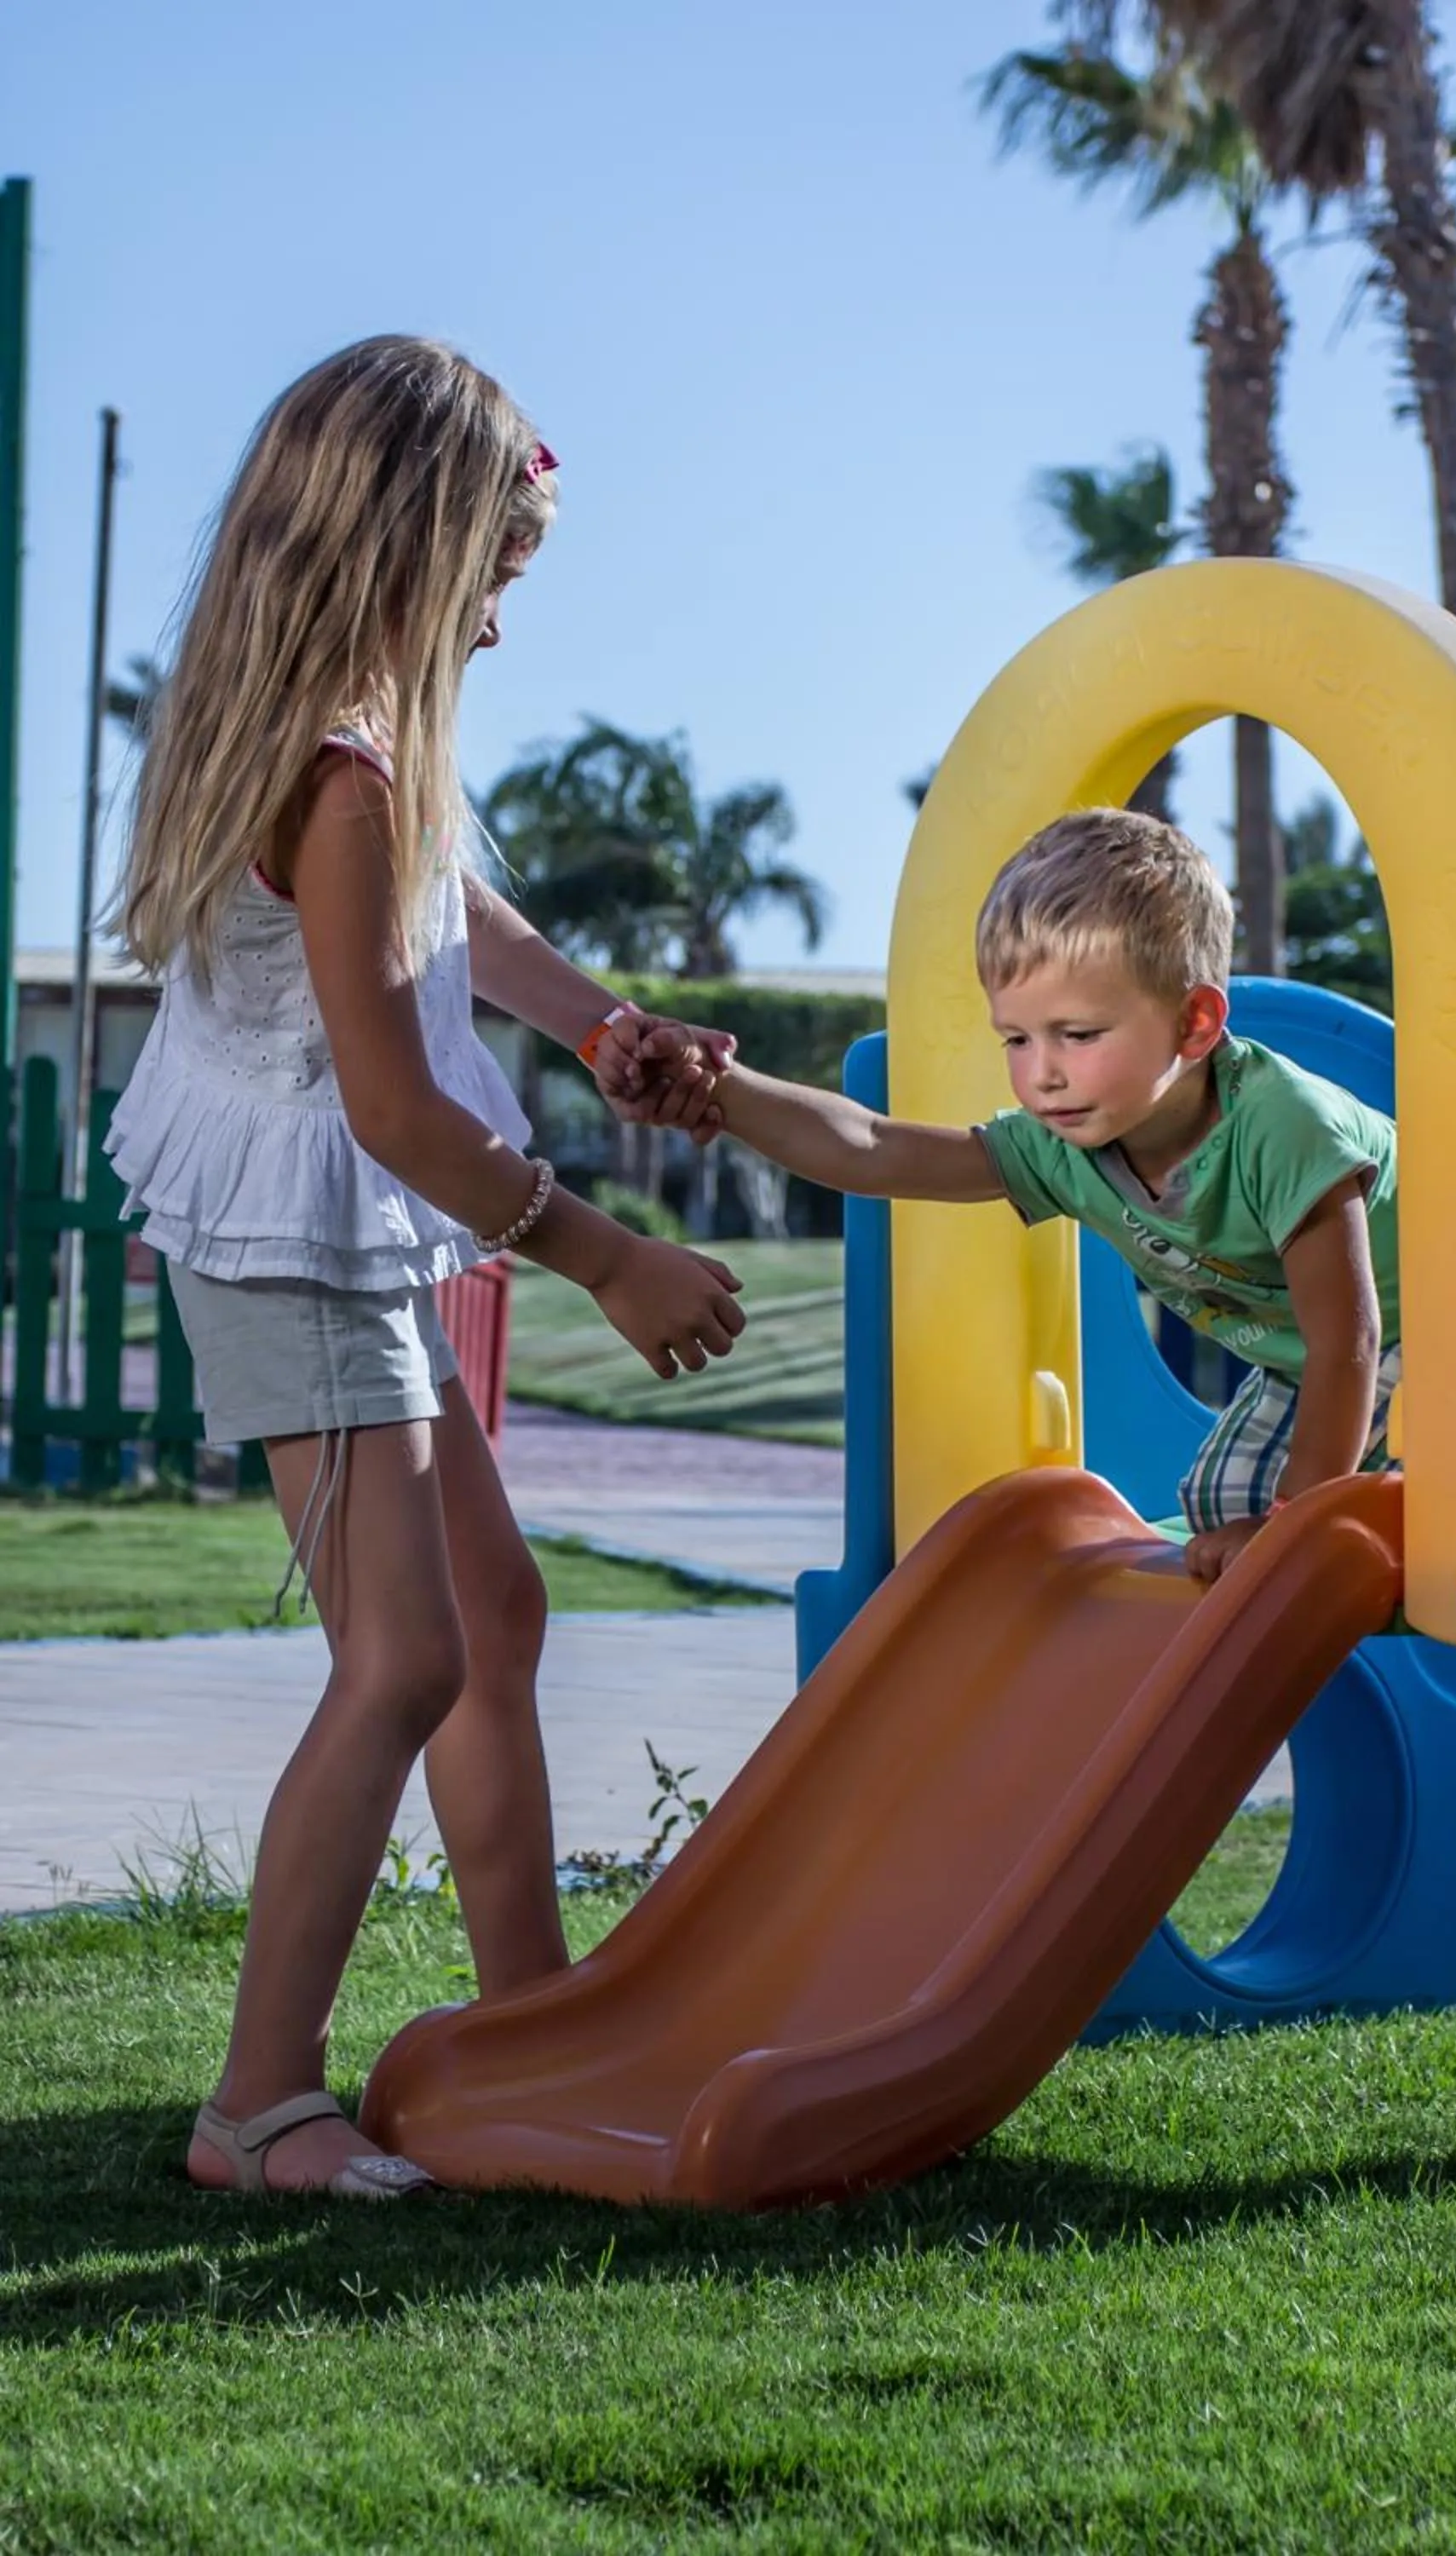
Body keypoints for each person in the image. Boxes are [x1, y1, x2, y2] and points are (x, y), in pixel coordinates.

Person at [106, 337, 736, 2198]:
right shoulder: (342, 768)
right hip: (293, 1242)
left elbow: (454, 907)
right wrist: (606, 1252)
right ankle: (259, 2105)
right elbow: (391, 1111)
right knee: (400, 1659)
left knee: (497, 1620)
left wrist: (598, 1015)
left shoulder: (344, 741)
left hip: (324, 1228)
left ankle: (532, 2023)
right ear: (405, 546)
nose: (495, 627)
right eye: (492, 581)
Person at [617, 807, 1398, 1583]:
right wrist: (725, 1088)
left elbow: (1352, 1342)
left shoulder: (1283, 1127)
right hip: (1310, 1364)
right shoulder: (1064, 1146)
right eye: (1017, 1040)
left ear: (1194, 1024)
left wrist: (1298, 1526)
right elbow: (876, 1148)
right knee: (1221, 1507)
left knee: (1333, 1515)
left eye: (1079, 1035)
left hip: (1450, 1332)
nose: (1042, 1074)